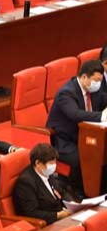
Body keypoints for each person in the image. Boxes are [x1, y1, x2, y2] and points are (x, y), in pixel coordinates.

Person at [46, 60, 107, 192]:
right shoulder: (66, 93)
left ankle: (101, 190)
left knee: (103, 152)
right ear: (84, 77)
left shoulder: (94, 90)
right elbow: (75, 114)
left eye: (100, 81)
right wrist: (102, 116)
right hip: (66, 140)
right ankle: (80, 192)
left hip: (87, 136)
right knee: (86, 158)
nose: (98, 84)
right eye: (96, 80)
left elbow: (104, 98)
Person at [13, 143, 75, 225]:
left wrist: (73, 204)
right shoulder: (25, 182)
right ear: (38, 163)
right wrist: (58, 215)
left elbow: (61, 192)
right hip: (47, 223)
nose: (53, 166)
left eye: (54, 162)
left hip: (62, 214)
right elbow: (32, 213)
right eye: (50, 163)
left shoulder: (46, 173)